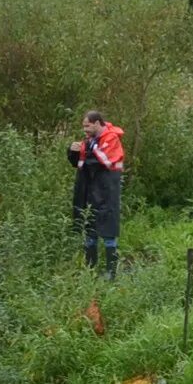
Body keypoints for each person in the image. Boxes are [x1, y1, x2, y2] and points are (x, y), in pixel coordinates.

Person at [67, 109, 125, 278]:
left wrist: (91, 148)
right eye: (83, 126)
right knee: (89, 231)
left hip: (107, 192)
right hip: (90, 192)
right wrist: (73, 151)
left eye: (87, 126)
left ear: (98, 123)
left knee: (109, 233)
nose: (85, 130)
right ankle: (90, 270)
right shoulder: (89, 140)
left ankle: (111, 273)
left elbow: (105, 160)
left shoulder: (111, 139)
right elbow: (79, 164)